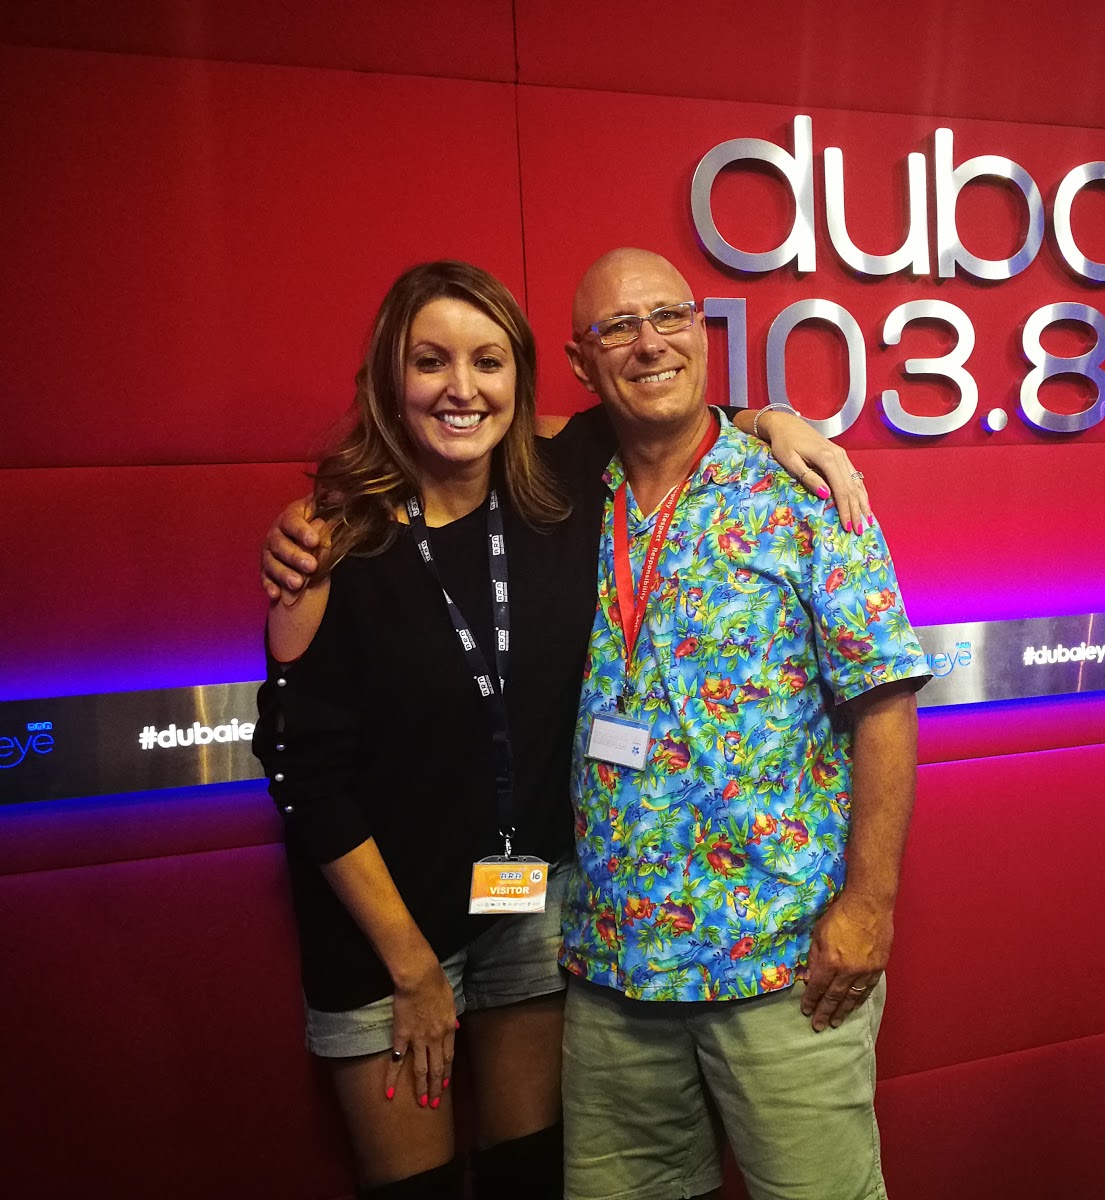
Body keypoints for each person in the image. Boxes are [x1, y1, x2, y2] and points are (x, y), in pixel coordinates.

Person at [254, 261, 868, 1200]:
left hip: (526, 909)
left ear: (523, 379)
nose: (462, 388)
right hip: (382, 933)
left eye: (488, 361)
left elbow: (666, 399)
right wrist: (413, 968)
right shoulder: (330, 541)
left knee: (530, 1177)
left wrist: (772, 420)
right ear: (389, 377)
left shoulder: (558, 488)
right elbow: (304, 775)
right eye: (430, 361)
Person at [558, 248, 929, 1200]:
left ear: (702, 329)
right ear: (580, 362)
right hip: (613, 968)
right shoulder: (558, 498)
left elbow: (886, 700)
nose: (650, 344)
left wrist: (870, 907)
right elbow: (447, 441)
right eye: (617, 327)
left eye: (669, 317)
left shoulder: (804, 491)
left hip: (782, 964)